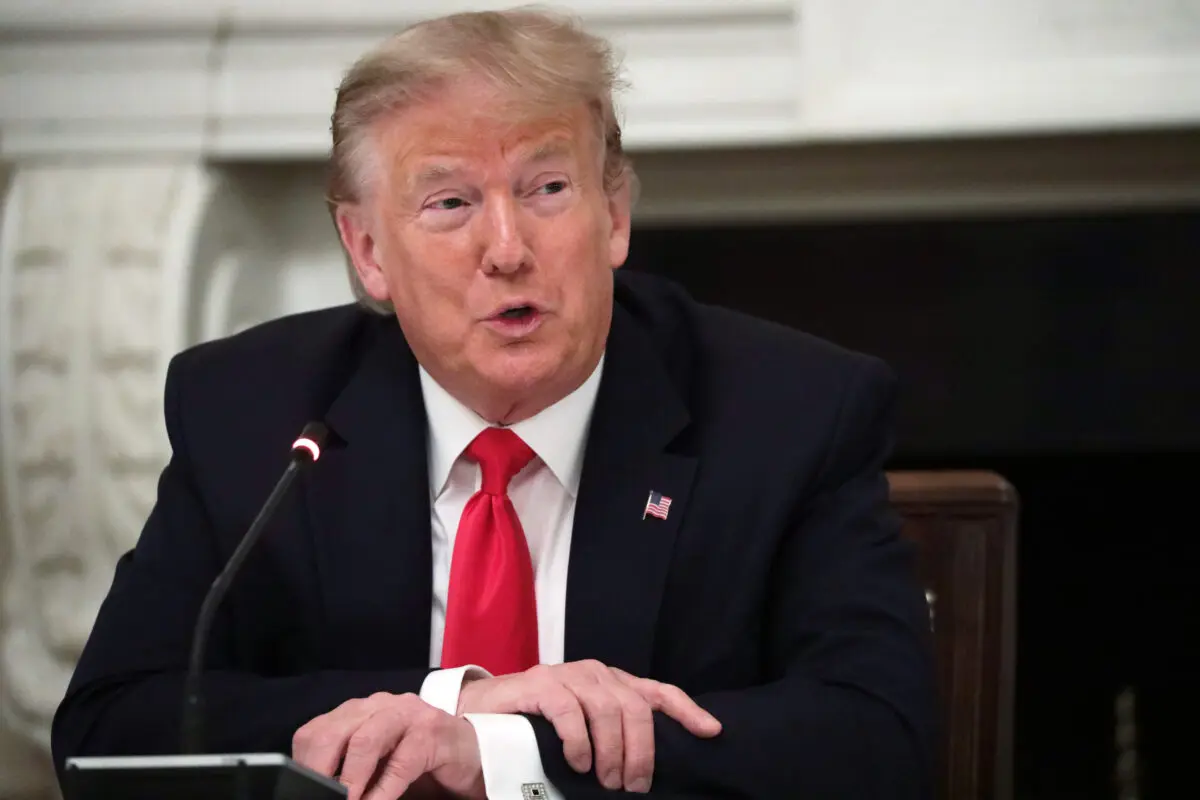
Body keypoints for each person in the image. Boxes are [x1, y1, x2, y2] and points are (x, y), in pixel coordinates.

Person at [51, 8, 936, 800]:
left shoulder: (792, 412)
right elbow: (110, 728)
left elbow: (877, 742)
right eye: (450, 202)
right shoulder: (252, 412)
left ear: (615, 213)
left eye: (548, 189)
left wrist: (508, 750)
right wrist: (462, 700)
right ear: (367, 251)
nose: (507, 248)